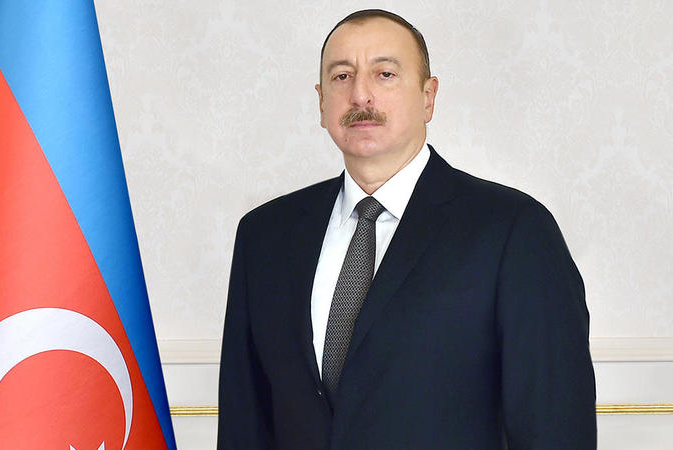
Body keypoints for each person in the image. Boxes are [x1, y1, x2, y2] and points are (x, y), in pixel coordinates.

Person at [218, 9, 596, 449]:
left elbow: (554, 427)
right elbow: (245, 425)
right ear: (321, 102)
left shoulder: (514, 230)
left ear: (428, 97)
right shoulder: (263, 236)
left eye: (384, 74)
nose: (360, 94)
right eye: (342, 76)